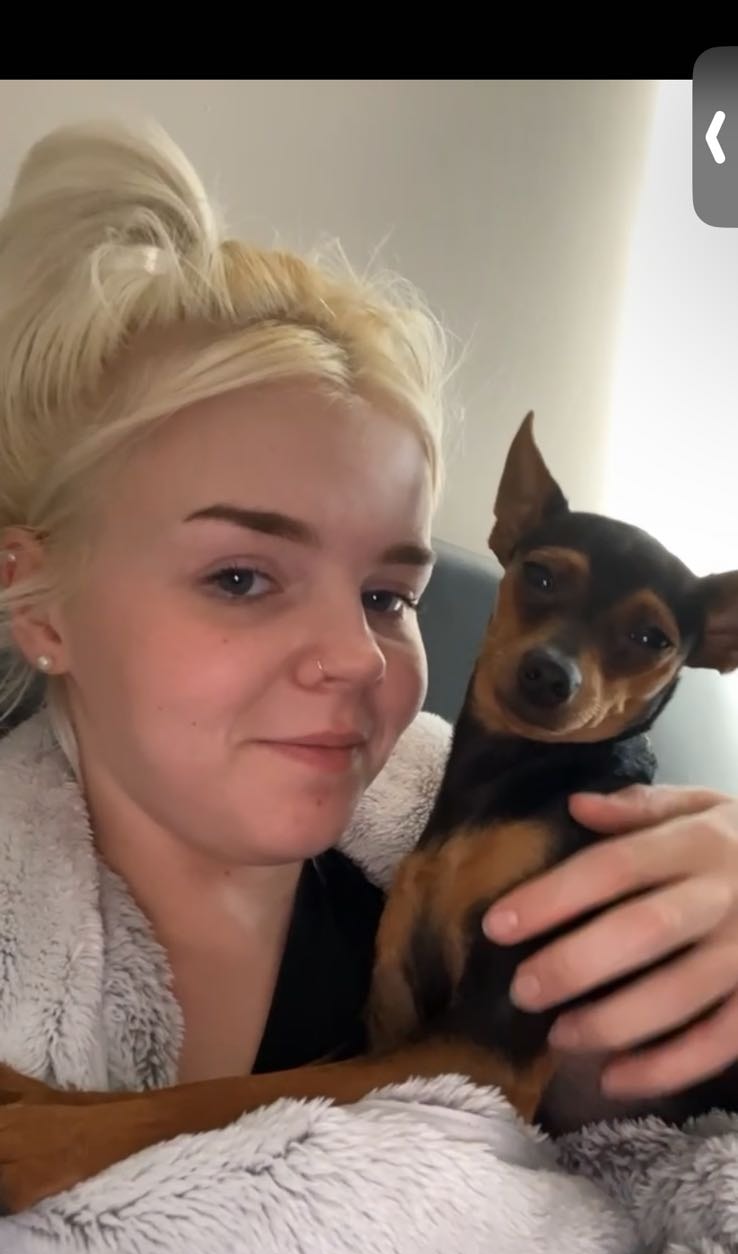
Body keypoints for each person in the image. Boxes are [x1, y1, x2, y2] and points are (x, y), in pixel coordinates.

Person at [0, 120, 737, 1115]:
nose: (357, 658)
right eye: (241, 578)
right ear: (42, 606)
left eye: (388, 598)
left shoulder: (502, 858)